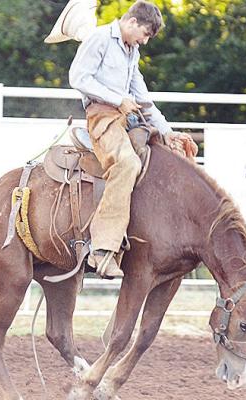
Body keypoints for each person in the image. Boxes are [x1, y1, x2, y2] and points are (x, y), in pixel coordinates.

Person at [69, 0, 173, 278]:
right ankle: (102, 249)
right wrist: (118, 100)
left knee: (162, 155)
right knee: (126, 164)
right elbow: (78, 77)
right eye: (146, 34)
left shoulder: (132, 51)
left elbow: (142, 96)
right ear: (132, 22)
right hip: (102, 116)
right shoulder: (99, 38)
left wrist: (167, 130)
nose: (146, 41)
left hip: (125, 115)